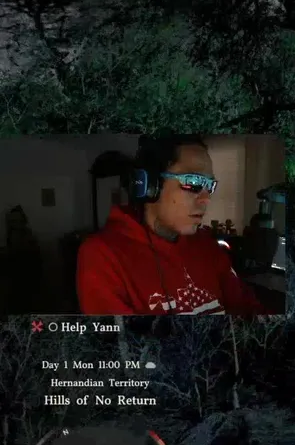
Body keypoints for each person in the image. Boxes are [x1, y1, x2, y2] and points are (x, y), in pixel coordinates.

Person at [76, 133, 266, 316]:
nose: (206, 199)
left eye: (210, 185)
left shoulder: (207, 244)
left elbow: (248, 309)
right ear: (149, 186)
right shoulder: (101, 254)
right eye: (193, 182)